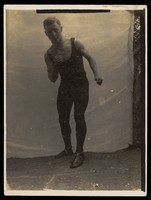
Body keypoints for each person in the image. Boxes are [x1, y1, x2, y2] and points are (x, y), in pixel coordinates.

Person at [43, 16, 103, 168]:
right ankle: (68, 149)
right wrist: (56, 66)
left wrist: (97, 74)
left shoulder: (74, 42)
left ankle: (79, 152)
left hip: (81, 85)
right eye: (50, 32)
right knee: (63, 118)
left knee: (78, 116)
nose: (54, 35)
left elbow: (91, 58)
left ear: (61, 29)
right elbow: (52, 79)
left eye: (56, 30)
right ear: (46, 34)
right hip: (65, 87)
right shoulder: (48, 54)